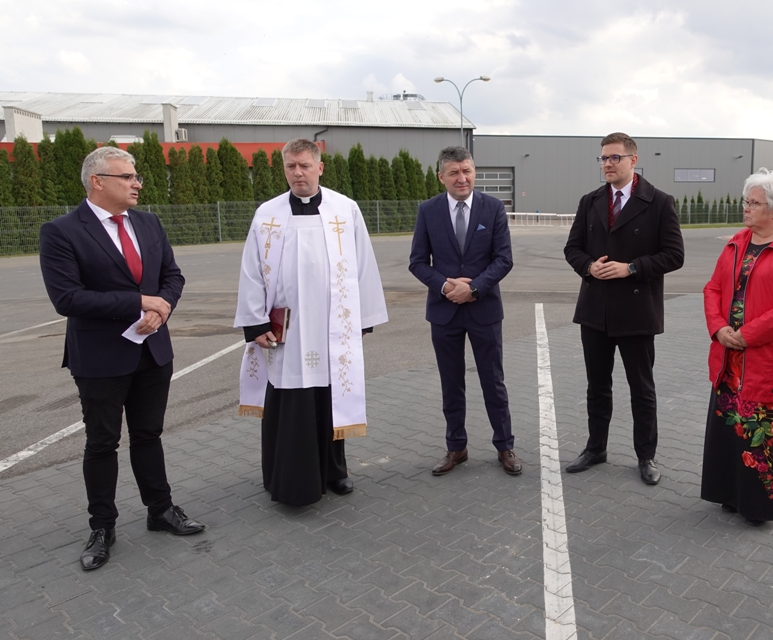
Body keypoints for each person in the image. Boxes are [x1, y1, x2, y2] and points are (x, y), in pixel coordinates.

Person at [39, 146, 204, 571]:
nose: (137, 184)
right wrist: (138, 302)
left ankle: (160, 510)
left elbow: (172, 276)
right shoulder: (61, 232)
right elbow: (67, 298)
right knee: (102, 442)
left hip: (153, 350)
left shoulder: (148, 223)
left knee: (149, 435)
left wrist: (162, 308)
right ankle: (102, 527)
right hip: (100, 357)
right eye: (127, 177)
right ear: (97, 181)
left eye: (136, 176)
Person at [234, 138, 388, 506]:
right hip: (287, 329)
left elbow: (363, 263)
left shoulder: (345, 209)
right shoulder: (267, 214)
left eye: (305, 165)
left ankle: (335, 472)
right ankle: (283, 476)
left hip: (332, 326)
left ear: (320, 167)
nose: (298, 173)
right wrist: (255, 324)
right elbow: (251, 271)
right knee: (289, 400)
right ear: (284, 169)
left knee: (331, 398)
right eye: (291, 166)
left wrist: (362, 319)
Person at [562, 132, 685, 485]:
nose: (607, 164)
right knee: (597, 386)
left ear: (633, 160)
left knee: (641, 389)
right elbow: (572, 249)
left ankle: (646, 456)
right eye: (603, 158)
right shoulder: (590, 201)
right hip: (595, 311)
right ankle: (596, 448)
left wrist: (631, 268)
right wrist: (589, 267)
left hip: (637, 311)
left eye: (615, 157)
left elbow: (674, 255)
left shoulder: (659, 202)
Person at [700, 169, 773, 525]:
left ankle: (756, 508)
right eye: (746, 201)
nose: (746, 208)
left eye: (754, 203)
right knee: (729, 431)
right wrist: (718, 327)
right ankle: (728, 495)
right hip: (730, 359)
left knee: (762, 436)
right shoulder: (737, 242)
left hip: (769, 360)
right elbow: (713, 288)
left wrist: (748, 334)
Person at [409, 145, 520, 476]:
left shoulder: (493, 208)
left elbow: (504, 259)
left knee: (493, 382)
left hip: (484, 310)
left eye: (467, 171)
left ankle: (505, 446)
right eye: (454, 172)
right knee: (451, 383)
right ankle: (456, 447)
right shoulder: (428, 210)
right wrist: (446, 286)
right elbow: (418, 262)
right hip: (444, 313)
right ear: (441, 176)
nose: (462, 178)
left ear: (474, 172)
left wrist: (473, 289)